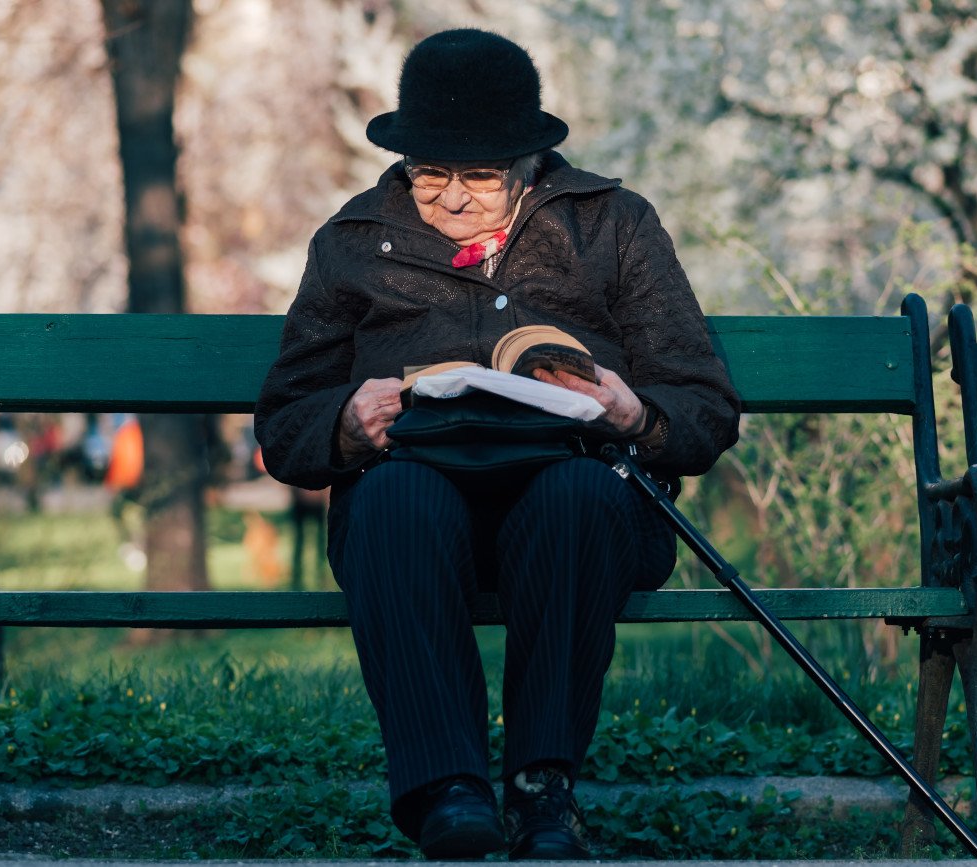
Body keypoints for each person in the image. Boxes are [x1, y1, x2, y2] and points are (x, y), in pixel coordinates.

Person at [254, 29, 740, 860]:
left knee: (577, 499)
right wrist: (344, 421)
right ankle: (449, 790)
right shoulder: (351, 240)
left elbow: (703, 405)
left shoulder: (612, 225)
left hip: (573, 493)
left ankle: (542, 791)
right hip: (417, 495)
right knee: (396, 501)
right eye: (428, 171)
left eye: (477, 175)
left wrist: (632, 414)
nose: (448, 197)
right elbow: (286, 422)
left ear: (526, 163)